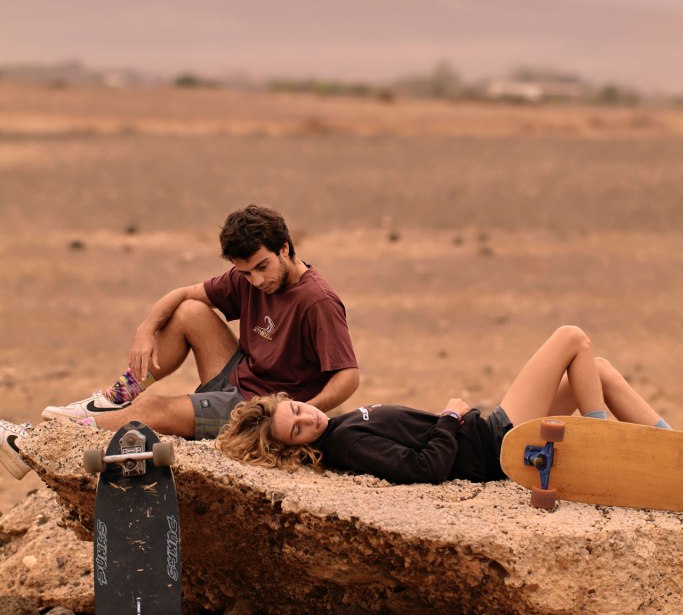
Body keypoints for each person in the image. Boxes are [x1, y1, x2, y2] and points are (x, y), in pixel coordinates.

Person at [0, 205, 359, 480]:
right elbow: (184, 293)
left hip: (257, 407)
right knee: (190, 311)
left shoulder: (317, 302)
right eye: (246, 272)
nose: (255, 280)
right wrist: (145, 329)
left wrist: (301, 411)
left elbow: (348, 377)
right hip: (240, 377)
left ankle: (36, 444)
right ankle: (115, 399)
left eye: (262, 267)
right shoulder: (248, 278)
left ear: (285, 248)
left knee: (153, 410)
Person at [216, 326, 673, 484]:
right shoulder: (348, 442)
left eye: (297, 409)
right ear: (294, 449)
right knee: (572, 338)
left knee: (601, 369)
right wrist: (451, 417)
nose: (308, 417)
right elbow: (424, 468)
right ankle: (605, 442)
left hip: (488, 435)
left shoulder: (339, 427)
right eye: (297, 429)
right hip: (493, 442)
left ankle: (671, 446)